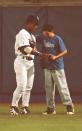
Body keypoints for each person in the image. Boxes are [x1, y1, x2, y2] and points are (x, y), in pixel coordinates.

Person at [37, 24, 74, 115]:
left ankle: (69, 106)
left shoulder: (57, 39)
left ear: (48, 31)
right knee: (48, 89)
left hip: (57, 67)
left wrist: (56, 57)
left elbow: (65, 51)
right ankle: (51, 108)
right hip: (47, 67)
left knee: (62, 87)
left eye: (44, 32)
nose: (43, 33)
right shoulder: (43, 38)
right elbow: (33, 38)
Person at [10, 15, 40, 115]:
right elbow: (25, 49)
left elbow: (33, 50)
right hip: (21, 62)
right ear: (29, 23)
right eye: (35, 24)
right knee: (21, 85)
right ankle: (13, 107)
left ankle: (24, 107)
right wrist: (41, 55)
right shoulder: (22, 33)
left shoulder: (33, 36)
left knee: (28, 87)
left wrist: (39, 55)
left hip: (30, 62)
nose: (36, 27)